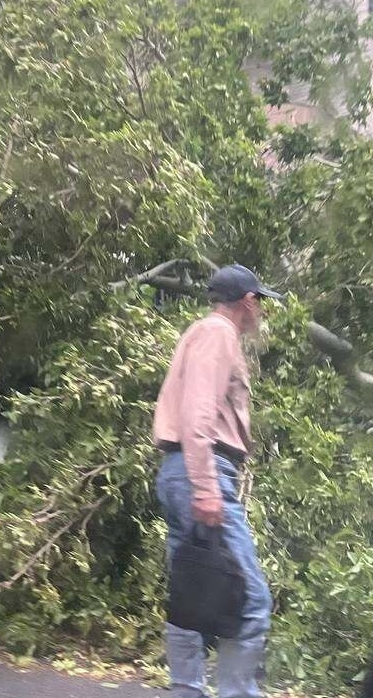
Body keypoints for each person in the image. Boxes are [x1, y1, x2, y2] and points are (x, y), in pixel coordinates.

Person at [153, 264, 280, 698]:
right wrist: (207, 488)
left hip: (183, 472)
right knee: (250, 601)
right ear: (248, 301)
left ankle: (187, 690)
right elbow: (198, 412)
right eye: (260, 301)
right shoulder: (218, 333)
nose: (262, 310)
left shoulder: (205, 332)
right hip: (199, 474)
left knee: (195, 597)